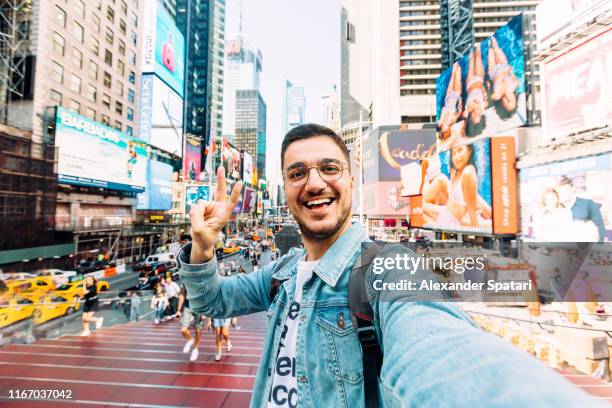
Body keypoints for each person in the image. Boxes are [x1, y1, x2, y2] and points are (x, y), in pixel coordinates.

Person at [180, 124, 596, 407]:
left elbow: (434, 343)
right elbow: (211, 299)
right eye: (297, 172)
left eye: (329, 169)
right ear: (286, 188)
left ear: (352, 180)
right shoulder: (285, 270)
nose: (315, 183)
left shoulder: (387, 267)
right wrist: (201, 245)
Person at [423, 144, 492, 228]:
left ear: (469, 151)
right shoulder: (460, 174)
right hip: (451, 217)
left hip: (453, 220)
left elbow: (473, 214)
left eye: (460, 150)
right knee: (422, 208)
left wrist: (476, 228)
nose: (456, 156)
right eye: (453, 153)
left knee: (422, 208)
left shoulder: (468, 172)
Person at [556, 176, 605, 242]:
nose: (563, 193)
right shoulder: (557, 207)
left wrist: (600, 243)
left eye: (566, 190)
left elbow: (600, 225)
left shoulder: (588, 203)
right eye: (560, 191)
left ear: (573, 189)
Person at [487, 36, 519, 117]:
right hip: (504, 66)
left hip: (493, 71)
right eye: (511, 100)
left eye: (507, 102)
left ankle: (489, 45)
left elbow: (490, 98)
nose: (508, 98)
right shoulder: (513, 86)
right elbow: (514, 77)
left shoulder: (497, 95)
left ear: (502, 104)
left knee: (490, 51)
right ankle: (493, 40)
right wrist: (511, 71)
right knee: (497, 49)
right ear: (514, 97)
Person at [463, 45, 488, 136]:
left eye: (474, 117)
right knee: (477, 56)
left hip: (469, 84)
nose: (476, 114)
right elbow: (485, 93)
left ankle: (470, 46)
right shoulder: (483, 107)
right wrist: (485, 91)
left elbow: (463, 116)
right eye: (478, 117)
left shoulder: (466, 113)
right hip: (479, 80)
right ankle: (478, 45)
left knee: (470, 62)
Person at [178, 284, 205, 362]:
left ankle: (195, 349)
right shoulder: (185, 280)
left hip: (199, 309)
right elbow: (182, 295)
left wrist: (205, 312)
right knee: (183, 329)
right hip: (187, 307)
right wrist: (178, 309)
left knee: (198, 331)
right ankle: (190, 340)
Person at [437, 62, 463, 141]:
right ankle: (458, 62)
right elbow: (459, 112)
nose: (444, 128)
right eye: (445, 130)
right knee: (458, 74)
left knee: (452, 76)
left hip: (448, 97)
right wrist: (460, 102)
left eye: (443, 130)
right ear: (448, 130)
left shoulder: (440, 123)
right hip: (456, 96)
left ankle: (455, 62)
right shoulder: (452, 121)